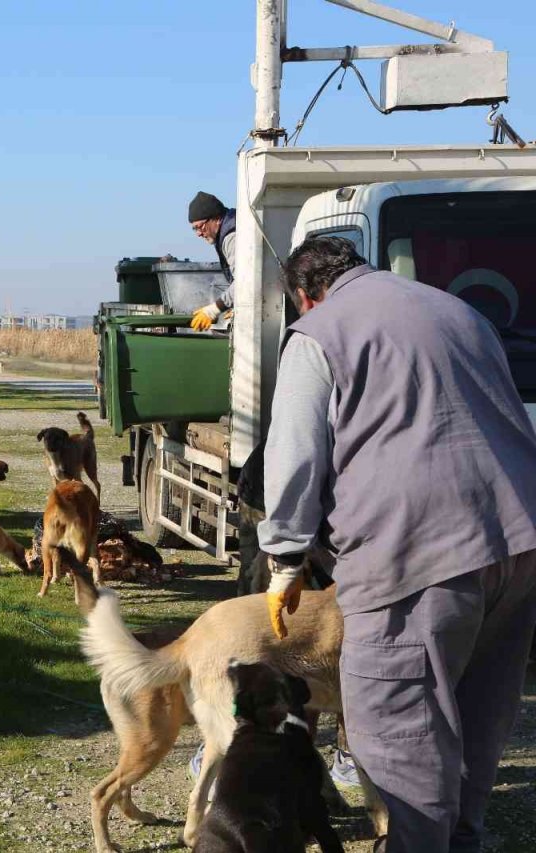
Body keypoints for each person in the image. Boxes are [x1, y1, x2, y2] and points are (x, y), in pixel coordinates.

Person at [259, 236, 536, 853]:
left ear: (305, 295)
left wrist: (285, 557)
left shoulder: (320, 331)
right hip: (518, 543)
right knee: (478, 715)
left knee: (399, 732)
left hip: (416, 554)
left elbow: (294, 456)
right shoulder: (459, 312)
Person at [187, 191, 236, 331]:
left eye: (200, 227)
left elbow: (244, 282)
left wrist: (214, 309)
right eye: (194, 229)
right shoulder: (224, 232)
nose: (198, 233)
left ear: (217, 218)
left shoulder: (232, 237)